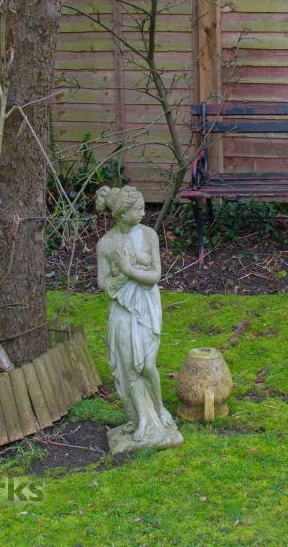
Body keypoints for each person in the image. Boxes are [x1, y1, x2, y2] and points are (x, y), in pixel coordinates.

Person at [95, 185, 182, 452]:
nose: (144, 213)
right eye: (138, 209)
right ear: (121, 214)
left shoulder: (148, 235)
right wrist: (119, 279)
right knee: (129, 367)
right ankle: (141, 419)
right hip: (122, 309)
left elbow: (154, 277)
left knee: (147, 365)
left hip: (146, 306)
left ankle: (159, 408)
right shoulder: (106, 244)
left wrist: (127, 268)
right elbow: (102, 283)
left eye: (143, 207)